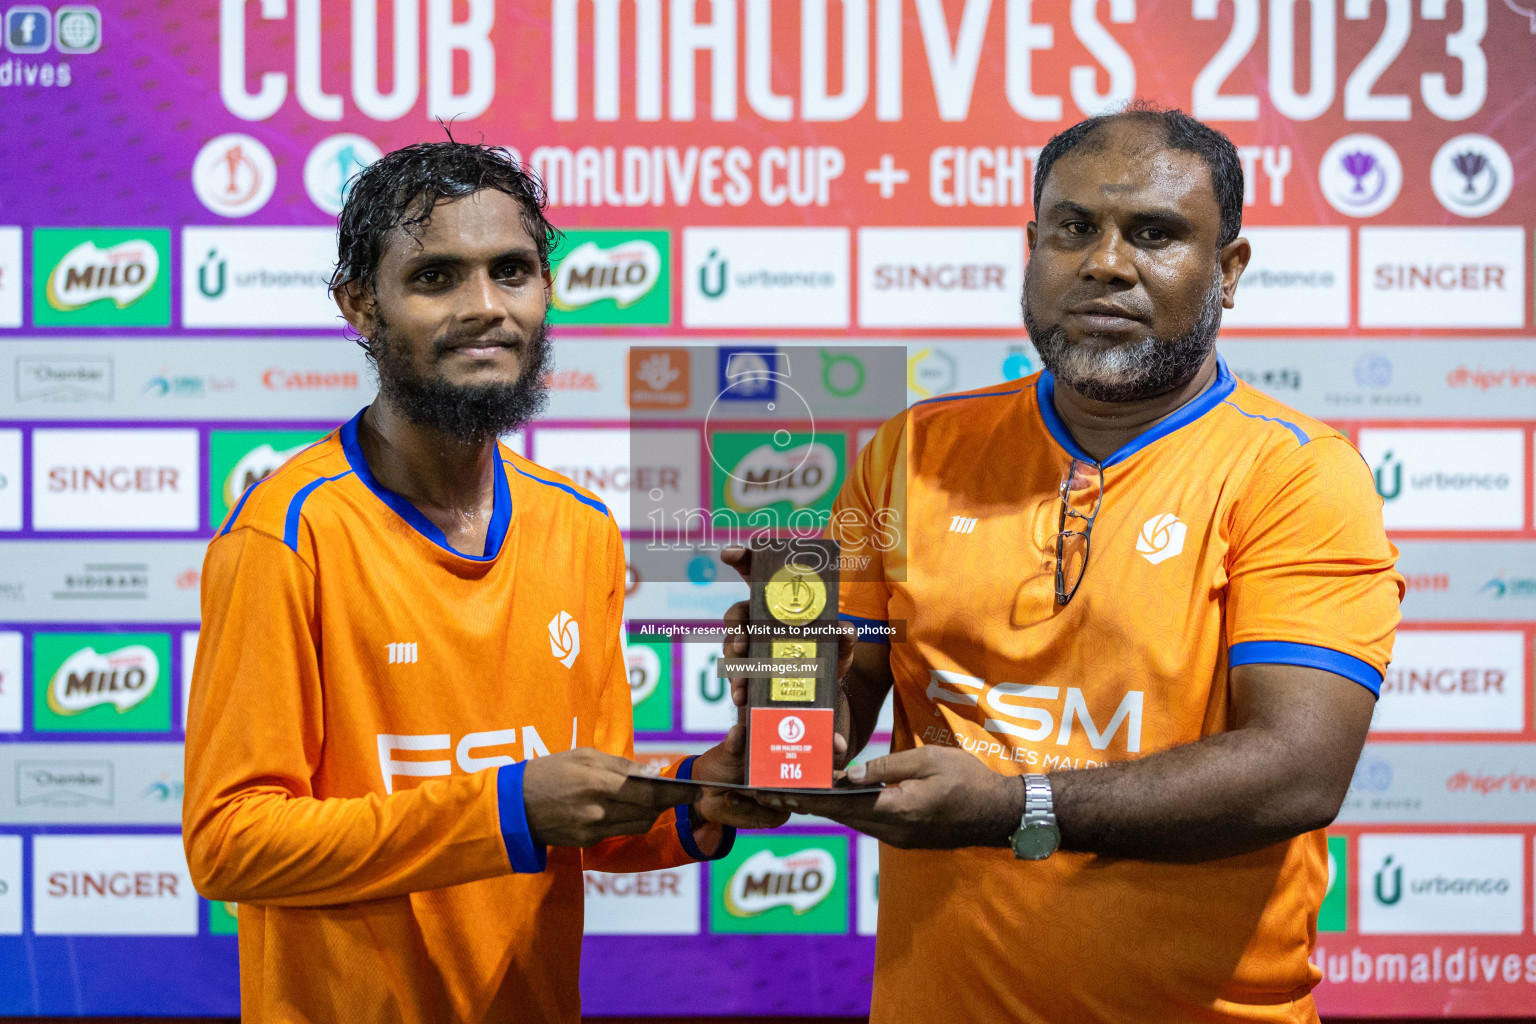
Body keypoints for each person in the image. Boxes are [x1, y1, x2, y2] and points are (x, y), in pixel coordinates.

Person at [731, 105, 1404, 1023]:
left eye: (1155, 234)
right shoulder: (913, 449)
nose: (1106, 264)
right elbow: (850, 697)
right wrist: (790, 707)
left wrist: (1016, 804)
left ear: (1229, 270)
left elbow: (1297, 770)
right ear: (1033, 246)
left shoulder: (1294, 474)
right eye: (1074, 229)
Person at [183, 140, 775, 1024]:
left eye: (512, 271)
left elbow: (586, 811)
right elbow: (229, 844)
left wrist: (696, 796)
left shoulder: (580, 527)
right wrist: (508, 807)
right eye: (436, 279)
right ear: (359, 305)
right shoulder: (287, 533)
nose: (486, 308)